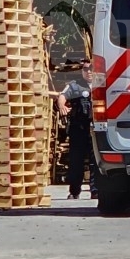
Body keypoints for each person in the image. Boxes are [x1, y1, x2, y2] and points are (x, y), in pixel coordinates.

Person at [57, 60, 98, 200]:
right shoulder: (75, 85)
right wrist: (62, 105)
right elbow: (62, 96)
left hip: (96, 129)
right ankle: (74, 191)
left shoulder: (103, 84)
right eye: (86, 69)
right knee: (76, 162)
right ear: (82, 71)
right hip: (79, 129)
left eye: (92, 68)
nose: (89, 71)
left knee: (96, 161)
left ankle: (96, 190)